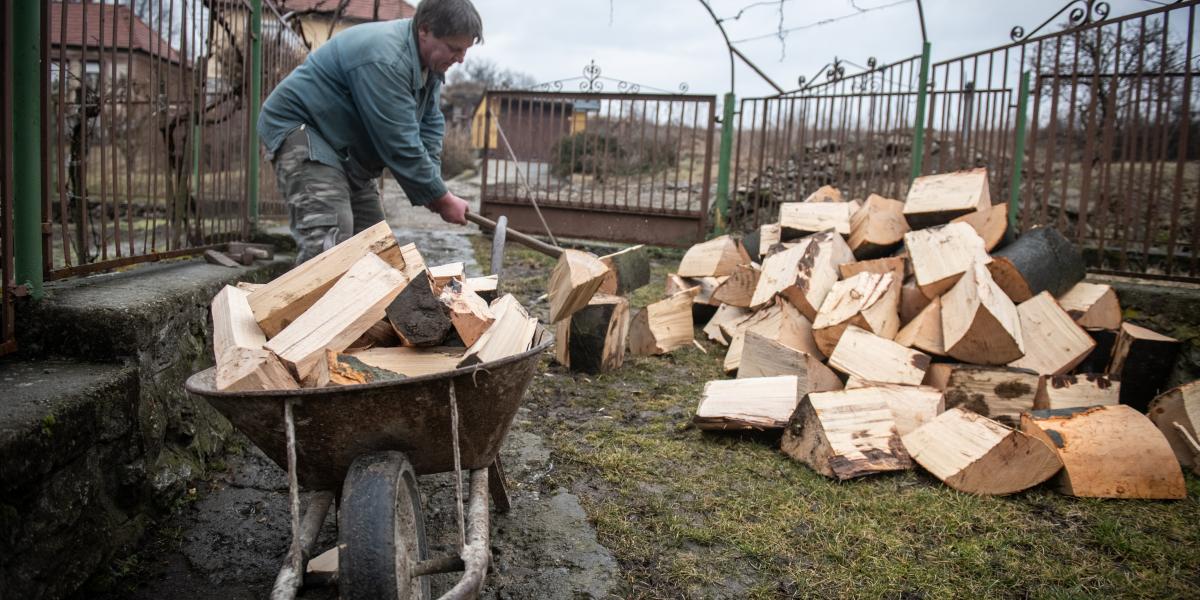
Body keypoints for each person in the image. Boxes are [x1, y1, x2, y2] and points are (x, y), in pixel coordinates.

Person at [257, 0, 481, 263]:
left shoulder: (428, 65)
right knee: (330, 243)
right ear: (424, 30)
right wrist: (442, 199)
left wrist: (434, 188)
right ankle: (314, 303)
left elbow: (429, 126)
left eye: (465, 50)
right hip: (304, 131)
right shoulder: (386, 58)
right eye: (454, 48)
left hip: (345, 147)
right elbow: (399, 142)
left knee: (376, 248)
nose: (461, 59)